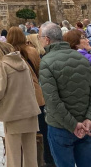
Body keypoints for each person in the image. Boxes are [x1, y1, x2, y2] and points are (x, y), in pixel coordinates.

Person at [39, 22, 91, 166]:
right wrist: (88, 118)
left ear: (47, 39)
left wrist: (73, 125)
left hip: (61, 127)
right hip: (84, 124)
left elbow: (52, 101)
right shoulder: (82, 58)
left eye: (40, 37)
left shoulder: (46, 62)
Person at [7, 25, 54, 166]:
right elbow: (40, 72)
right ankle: (47, 160)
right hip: (36, 96)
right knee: (43, 130)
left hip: (17, 99)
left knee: (23, 135)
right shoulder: (32, 51)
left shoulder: (7, 55)